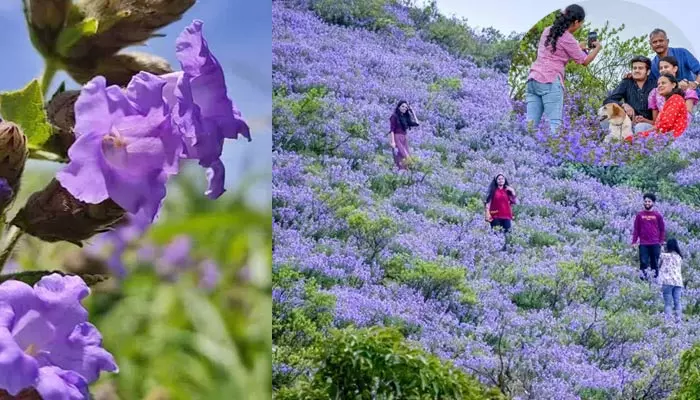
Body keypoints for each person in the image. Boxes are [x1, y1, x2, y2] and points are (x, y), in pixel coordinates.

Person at [525, 4, 602, 133]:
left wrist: (578, 48)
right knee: (554, 123)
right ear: (576, 22)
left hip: (533, 79)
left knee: (531, 124)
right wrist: (597, 48)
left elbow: (555, 54)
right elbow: (584, 61)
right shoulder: (568, 38)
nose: (580, 26)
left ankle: (524, 150)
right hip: (550, 80)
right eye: (581, 23)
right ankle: (553, 153)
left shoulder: (547, 30)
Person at [602, 55, 656, 133]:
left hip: (648, 123)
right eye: (634, 68)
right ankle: (611, 142)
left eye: (640, 68)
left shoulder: (655, 84)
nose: (636, 70)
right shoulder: (627, 82)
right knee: (604, 114)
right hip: (628, 121)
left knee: (640, 127)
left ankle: (639, 144)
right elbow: (608, 100)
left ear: (648, 72)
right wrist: (623, 105)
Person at [647, 56, 698, 125]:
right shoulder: (655, 92)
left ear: (675, 68)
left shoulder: (686, 89)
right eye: (661, 68)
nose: (663, 70)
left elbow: (688, 113)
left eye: (666, 67)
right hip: (662, 126)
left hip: (682, 125)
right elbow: (655, 121)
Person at [648, 29, 700, 96]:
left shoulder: (682, 53)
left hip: (693, 99)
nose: (658, 44)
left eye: (661, 41)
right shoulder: (652, 65)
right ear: (650, 44)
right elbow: (652, 86)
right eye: (654, 42)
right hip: (671, 102)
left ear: (667, 41)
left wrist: (695, 83)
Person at [637, 73, 688, 139]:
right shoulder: (670, 100)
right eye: (658, 84)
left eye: (663, 83)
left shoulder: (676, 99)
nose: (660, 86)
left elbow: (665, 125)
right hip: (665, 136)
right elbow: (659, 125)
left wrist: (641, 135)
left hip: (672, 139)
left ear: (673, 85)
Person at [631, 193, 665, 281]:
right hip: (643, 243)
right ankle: (643, 281)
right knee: (643, 263)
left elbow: (662, 229)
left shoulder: (657, 215)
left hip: (655, 243)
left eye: (649, 201)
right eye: (645, 201)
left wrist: (661, 242)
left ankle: (655, 282)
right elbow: (636, 230)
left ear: (653, 203)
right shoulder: (640, 215)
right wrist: (634, 242)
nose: (647, 203)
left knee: (655, 263)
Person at [658, 238, 684, 323]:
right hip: (678, 282)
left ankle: (668, 322)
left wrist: (661, 246)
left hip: (667, 281)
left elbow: (659, 264)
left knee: (668, 303)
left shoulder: (664, 256)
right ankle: (678, 321)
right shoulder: (679, 257)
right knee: (677, 302)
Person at [389, 100, 419, 170]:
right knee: (406, 156)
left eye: (406, 107)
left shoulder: (405, 117)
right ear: (399, 107)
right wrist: (393, 142)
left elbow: (417, 123)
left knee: (401, 157)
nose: (404, 108)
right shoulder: (394, 116)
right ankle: (404, 170)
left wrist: (413, 112)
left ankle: (402, 173)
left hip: (404, 138)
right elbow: (392, 130)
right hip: (397, 138)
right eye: (402, 106)